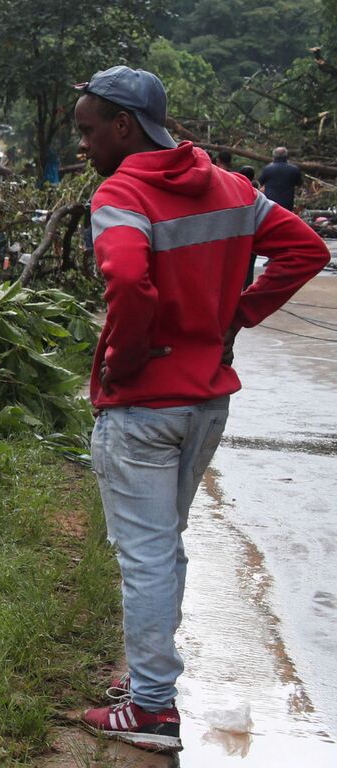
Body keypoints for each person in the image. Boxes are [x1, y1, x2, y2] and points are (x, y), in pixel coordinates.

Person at [71, 65, 330, 754]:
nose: (85, 145)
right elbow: (304, 249)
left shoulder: (121, 193)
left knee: (147, 553)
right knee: (166, 545)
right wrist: (237, 316)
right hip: (207, 402)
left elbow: (127, 278)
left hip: (144, 406)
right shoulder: (233, 187)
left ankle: (153, 707)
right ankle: (150, 684)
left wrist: (125, 361)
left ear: (124, 126)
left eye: (90, 129)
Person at [258, 146, 305, 212]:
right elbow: (299, 183)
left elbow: (259, 182)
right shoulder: (294, 169)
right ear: (286, 156)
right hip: (287, 202)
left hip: (270, 202)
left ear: (274, 156)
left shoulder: (267, 169)